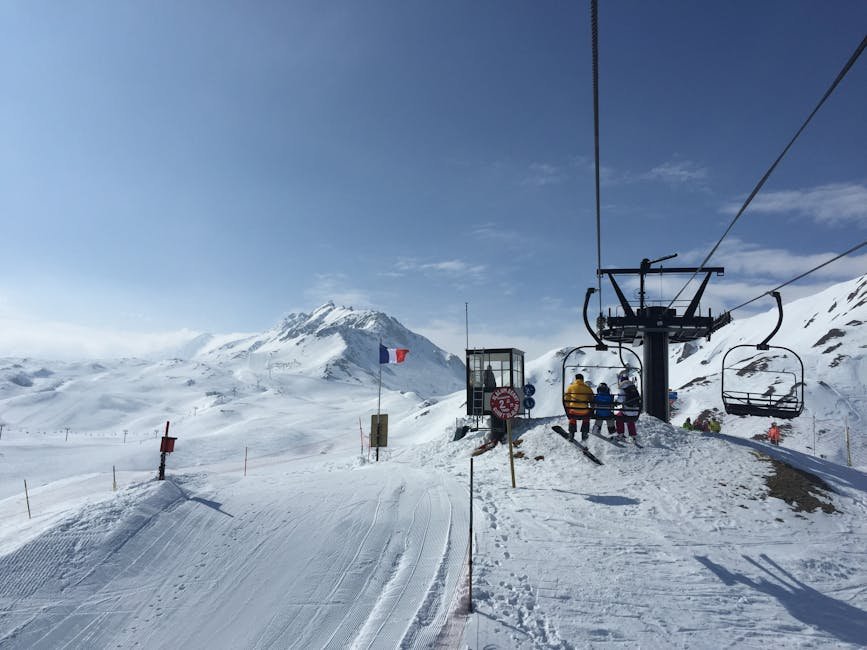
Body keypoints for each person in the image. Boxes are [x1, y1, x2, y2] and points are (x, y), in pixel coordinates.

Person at [564, 373, 594, 441]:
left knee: (572, 417)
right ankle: (584, 433)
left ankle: (571, 433)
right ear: (582, 380)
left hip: (574, 411)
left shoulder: (570, 387)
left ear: (575, 379)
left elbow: (566, 400)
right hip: (584, 411)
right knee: (586, 418)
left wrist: (568, 409)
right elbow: (592, 400)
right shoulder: (587, 388)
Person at [615, 372, 641, 439]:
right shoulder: (633, 388)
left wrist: (617, 401)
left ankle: (620, 433)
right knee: (630, 419)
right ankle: (633, 435)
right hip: (636, 411)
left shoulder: (623, 388)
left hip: (628, 410)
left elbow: (620, 400)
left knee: (618, 416)